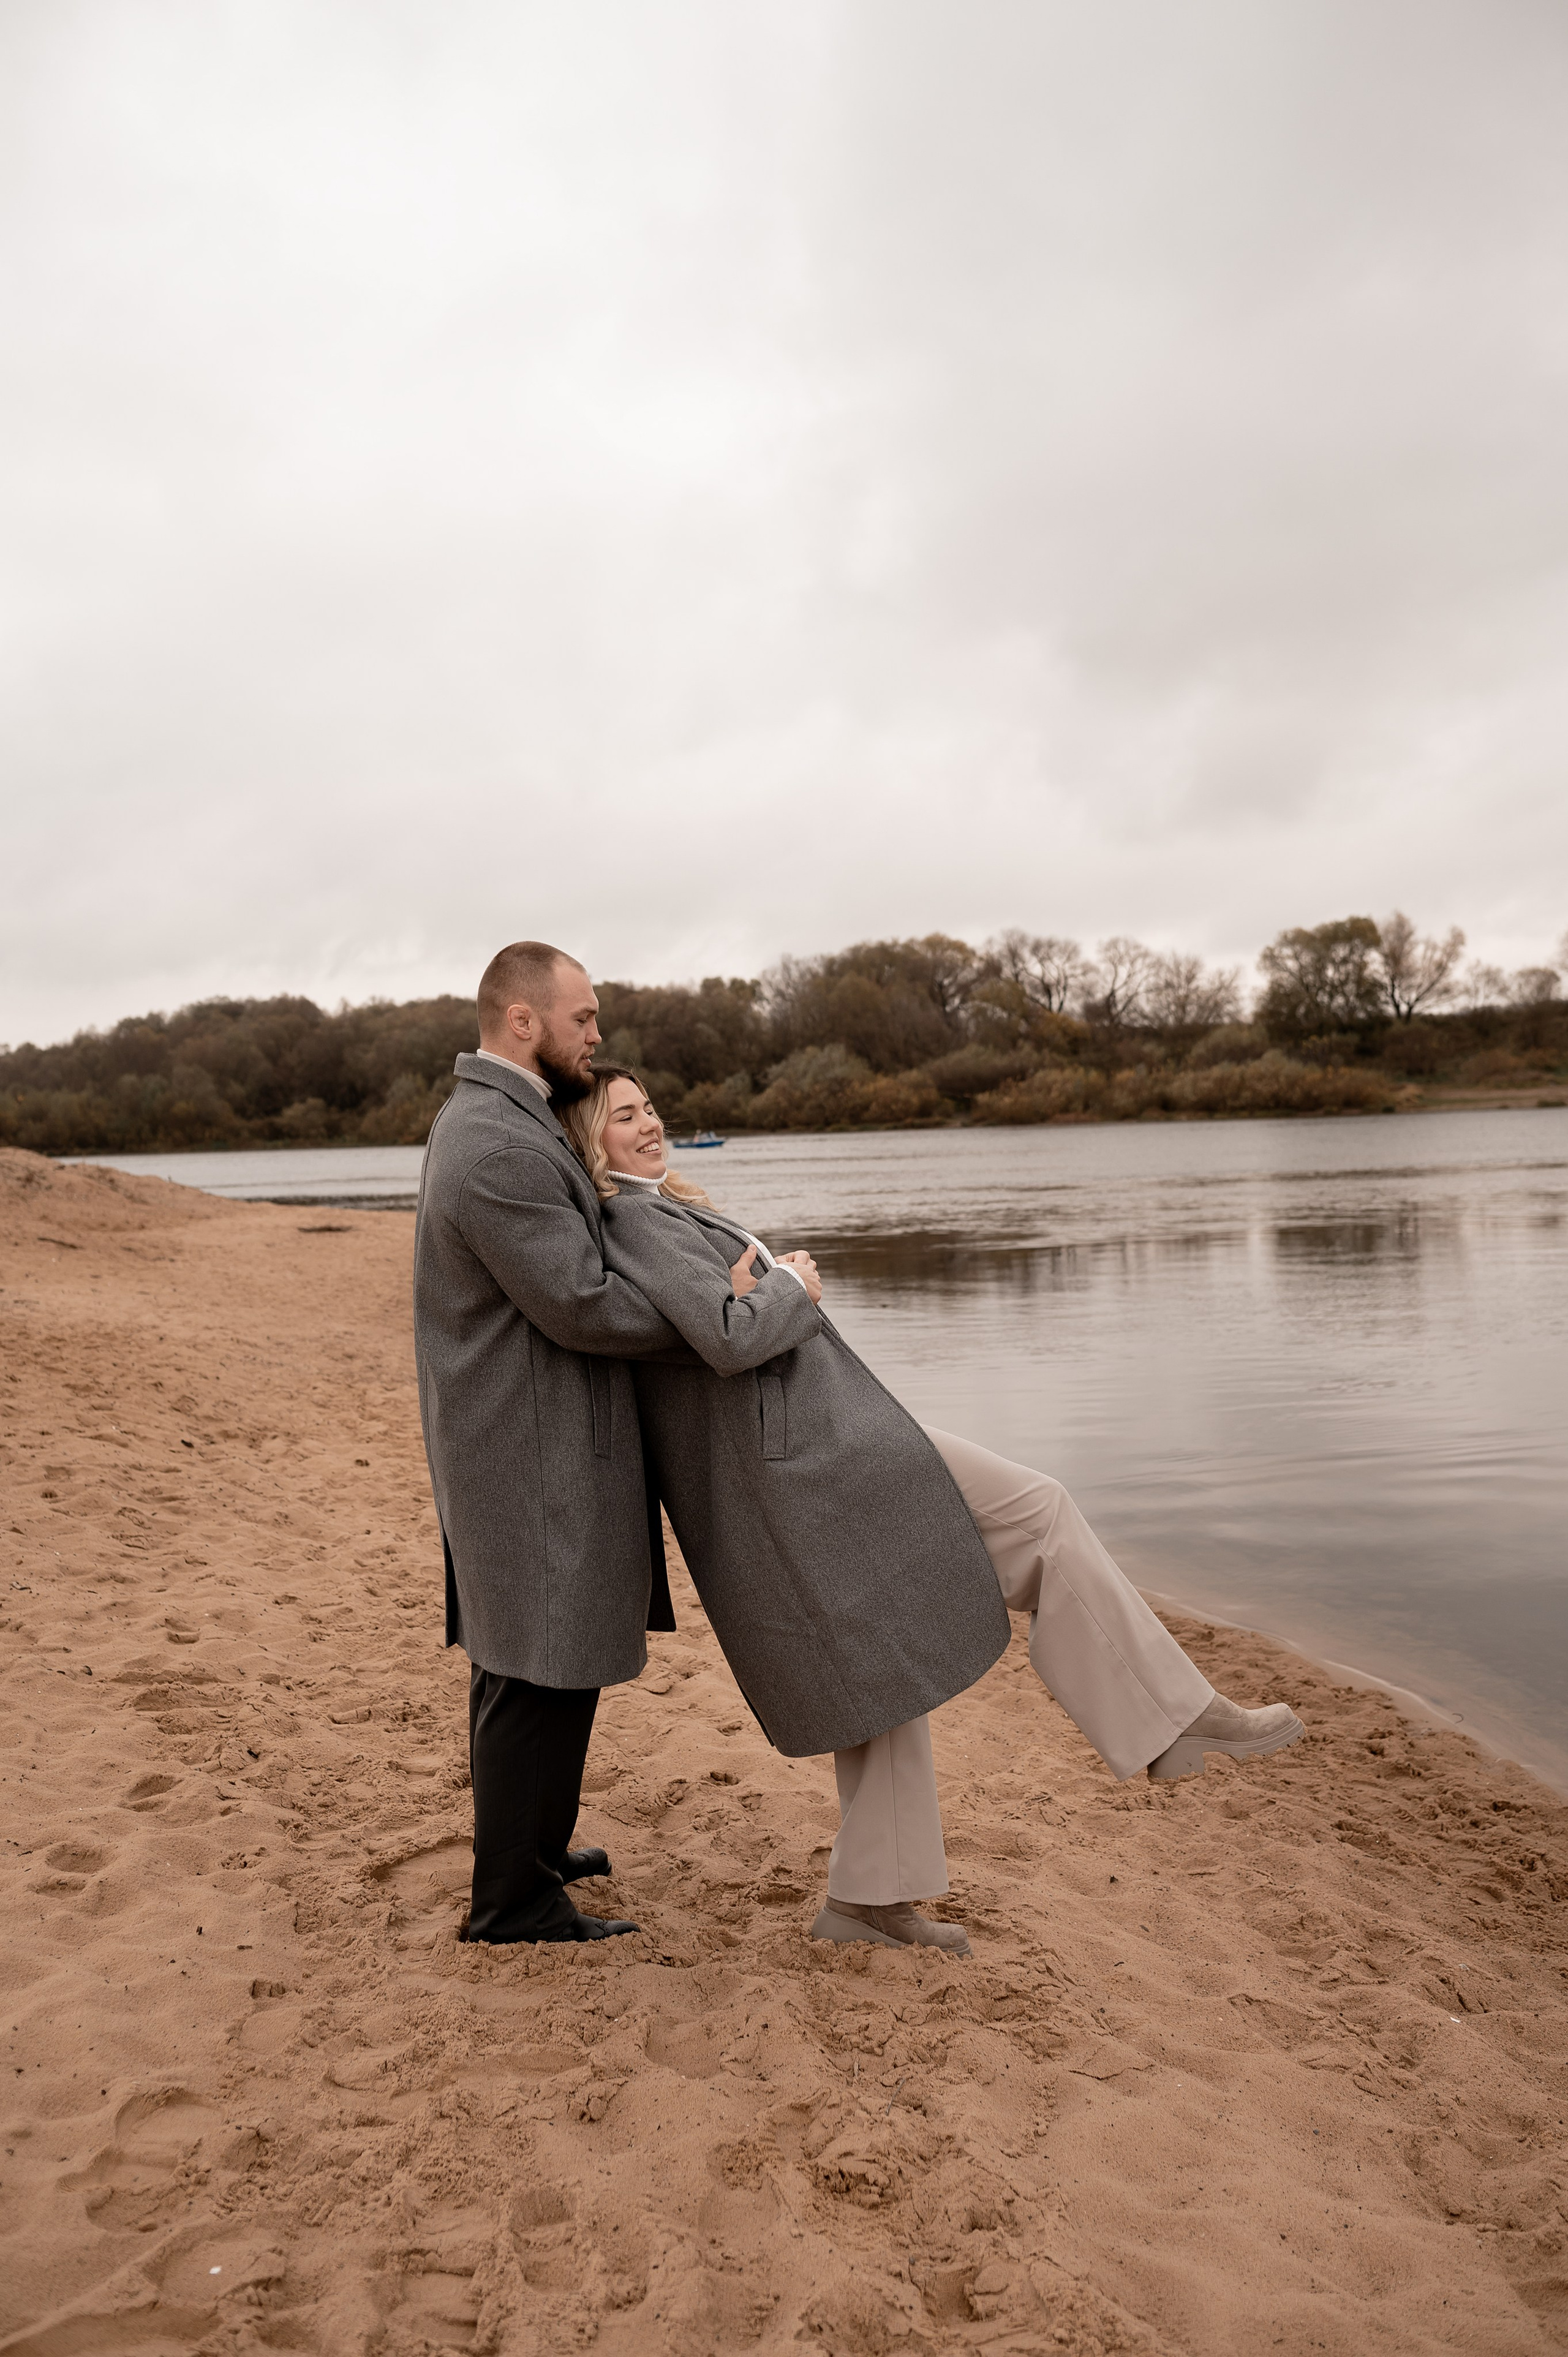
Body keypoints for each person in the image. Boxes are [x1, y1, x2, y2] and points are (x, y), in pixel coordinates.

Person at [562, 1065, 1305, 1958]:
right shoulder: (633, 1221)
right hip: (808, 1463)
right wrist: (788, 1286)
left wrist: (761, 1285)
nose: (649, 1124)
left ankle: (870, 1902)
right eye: (624, 1115)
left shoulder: (663, 1204)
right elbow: (729, 1336)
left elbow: (722, 1317)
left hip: (819, 1449)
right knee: (1039, 1513)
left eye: (651, 1107)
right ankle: (1174, 1718)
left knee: (882, 1665)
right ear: (591, 1138)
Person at [412, 942, 809, 1945]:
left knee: (548, 1660)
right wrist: (715, 1312)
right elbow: (580, 1306)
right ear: (521, 1022)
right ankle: (512, 1901)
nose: (598, 1034)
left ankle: (534, 1849)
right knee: (531, 1670)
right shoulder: (495, 1143)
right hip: (525, 1441)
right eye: (582, 1017)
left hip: (527, 1430)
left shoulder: (507, 1119)